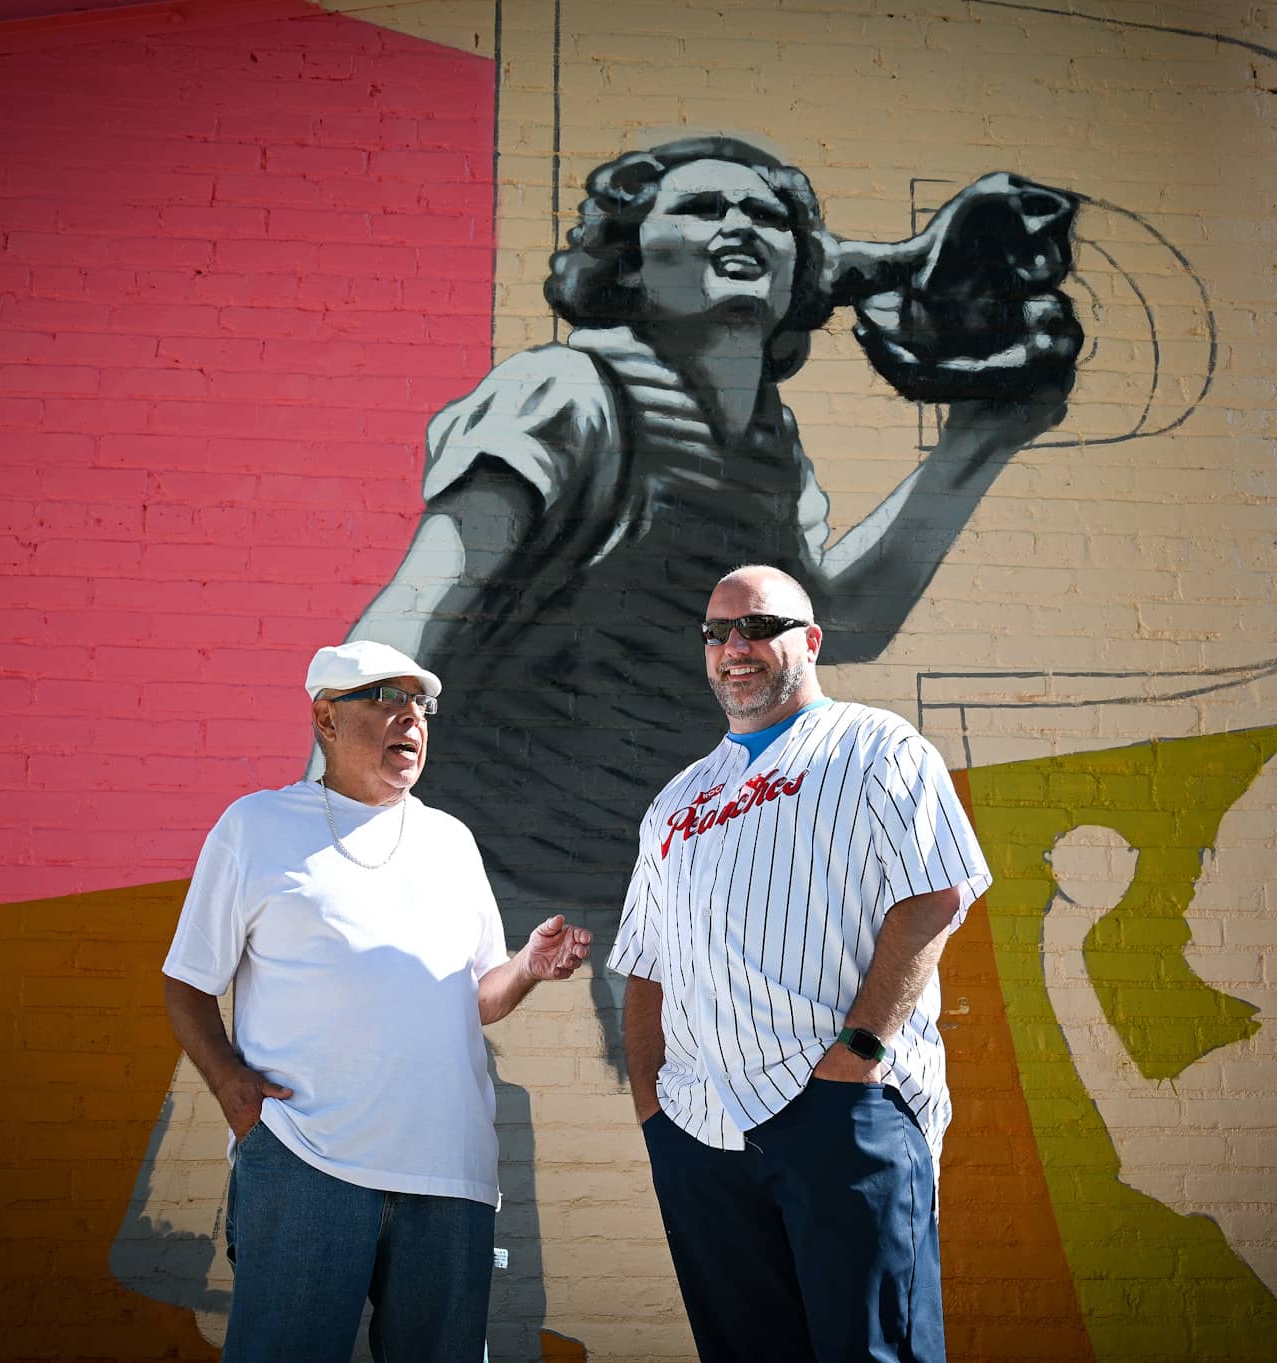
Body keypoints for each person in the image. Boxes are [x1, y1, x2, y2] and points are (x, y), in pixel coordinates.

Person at [331, 135, 1079, 938]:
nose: (739, 224)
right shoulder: (566, 393)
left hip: (653, 877)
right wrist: (333, 819)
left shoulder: (769, 451)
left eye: (765, 215)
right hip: (483, 869)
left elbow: (845, 620)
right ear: (630, 261)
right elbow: (418, 611)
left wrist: (982, 440)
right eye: (700, 206)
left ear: (800, 271)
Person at [161, 639, 593, 1363]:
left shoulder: (449, 840)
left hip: (448, 1174)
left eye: (421, 704)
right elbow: (186, 981)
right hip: (306, 1162)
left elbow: (477, 997)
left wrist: (524, 966)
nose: (412, 719)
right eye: (388, 699)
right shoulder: (256, 827)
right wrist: (235, 1091)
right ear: (327, 719)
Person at [609, 564, 992, 1363]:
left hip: (840, 1111)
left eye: (758, 626)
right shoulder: (677, 799)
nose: (734, 647)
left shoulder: (876, 744)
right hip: (699, 1130)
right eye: (716, 633)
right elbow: (644, 960)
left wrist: (858, 1056)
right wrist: (654, 1103)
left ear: (810, 641)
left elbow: (934, 896)